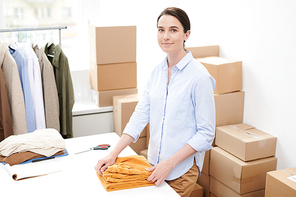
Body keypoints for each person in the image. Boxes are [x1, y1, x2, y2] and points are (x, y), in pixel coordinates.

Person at [95, 7, 215, 197]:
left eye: (173, 30)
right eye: (161, 30)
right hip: (153, 165)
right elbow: (140, 116)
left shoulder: (200, 77)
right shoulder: (156, 73)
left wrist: (169, 164)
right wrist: (113, 153)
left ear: (187, 34)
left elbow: (206, 134)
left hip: (180, 170)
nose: (166, 36)